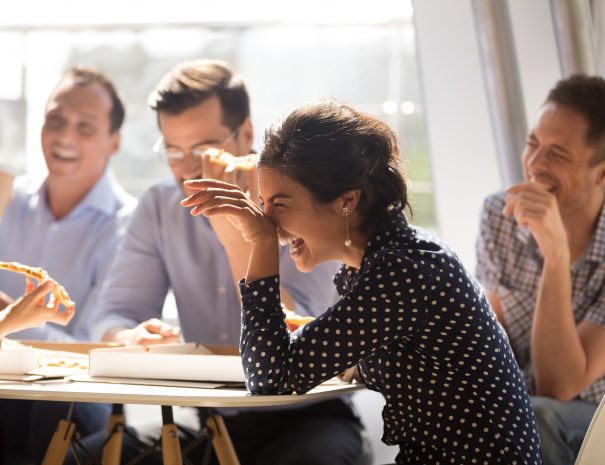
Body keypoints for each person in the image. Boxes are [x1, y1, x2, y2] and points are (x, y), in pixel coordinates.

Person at [181, 100, 543, 464]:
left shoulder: (402, 272)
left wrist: (258, 244)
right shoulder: (388, 263)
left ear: (346, 201)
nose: (267, 221)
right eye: (262, 203)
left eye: (280, 203)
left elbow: (270, 377)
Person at [78, 60, 367, 465]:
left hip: (306, 415)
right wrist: (126, 337)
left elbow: (304, 333)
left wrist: (237, 238)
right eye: (173, 150)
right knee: (88, 456)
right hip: (211, 421)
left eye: (203, 149)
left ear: (246, 134)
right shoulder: (160, 205)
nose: (188, 168)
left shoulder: (300, 199)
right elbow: (112, 312)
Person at [0, 66, 136, 464]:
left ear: (114, 142)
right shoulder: (8, 199)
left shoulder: (126, 223)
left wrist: (20, 322)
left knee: (57, 409)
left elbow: (99, 338)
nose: (64, 137)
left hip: (75, 387)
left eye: (84, 127)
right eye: (55, 121)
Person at [475, 74, 605, 465]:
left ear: (601, 173)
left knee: (537, 414)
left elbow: (560, 385)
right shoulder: (500, 214)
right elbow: (492, 331)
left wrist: (556, 255)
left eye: (557, 155)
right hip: (521, 403)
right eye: (533, 144)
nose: (534, 164)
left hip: (593, 416)